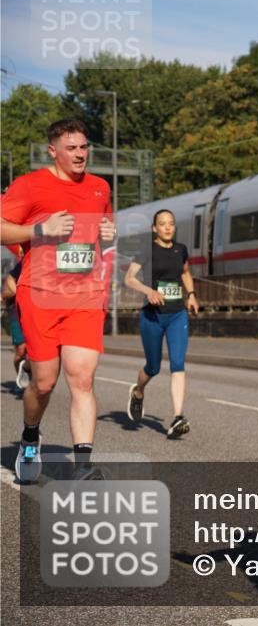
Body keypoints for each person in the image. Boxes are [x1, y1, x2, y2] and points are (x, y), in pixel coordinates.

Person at [0, 119, 117, 483]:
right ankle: (30, 437)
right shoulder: (30, 185)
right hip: (40, 296)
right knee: (45, 383)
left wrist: (109, 232)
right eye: (72, 148)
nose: (81, 154)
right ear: (53, 151)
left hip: (84, 296)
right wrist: (40, 229)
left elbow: (104, 233)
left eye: (84, 147)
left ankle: (82, 466)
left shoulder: (100, 187)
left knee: (81, 378)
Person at [123, 209, 199, 438]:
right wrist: (149, 291)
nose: (167, 227)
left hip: (177, 314)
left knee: (178, 364)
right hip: (152, 316)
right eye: (162, 224)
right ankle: (137, 392)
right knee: (153, 367)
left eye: (171, 224)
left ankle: (177, 417)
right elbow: (129, 279)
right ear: (154, 228)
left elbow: (185, 272)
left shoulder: (180, 249)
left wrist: (192, 294)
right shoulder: (147, 250)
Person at [2, 255, 31, 392]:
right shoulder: (22, 264)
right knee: (20, 351)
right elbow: (8, 285)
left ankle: (28, 372)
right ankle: (20, 377)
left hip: (37, 313)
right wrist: (19, 291)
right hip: (17, 311)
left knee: (33, 351)